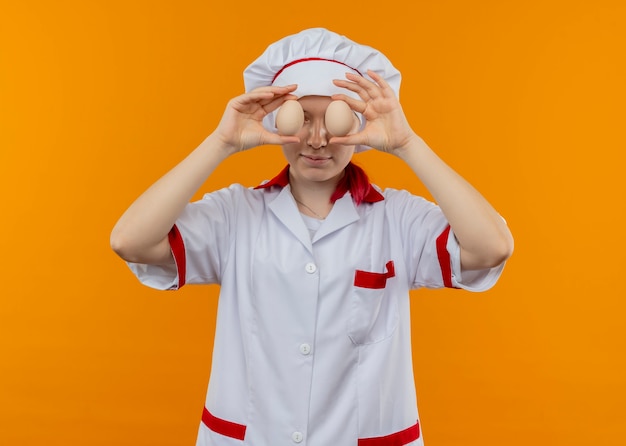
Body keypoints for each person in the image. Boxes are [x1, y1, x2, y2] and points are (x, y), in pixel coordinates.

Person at [111, 28, 513, 446]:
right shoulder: (235, 215)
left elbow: (492, 247)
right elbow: (130, 240)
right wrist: (221, 142)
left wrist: (408, 144)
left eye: (334, 120)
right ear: (274, 120)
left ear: (359, 125)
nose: (317, 139)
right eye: (300, 119)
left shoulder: (396, 218)